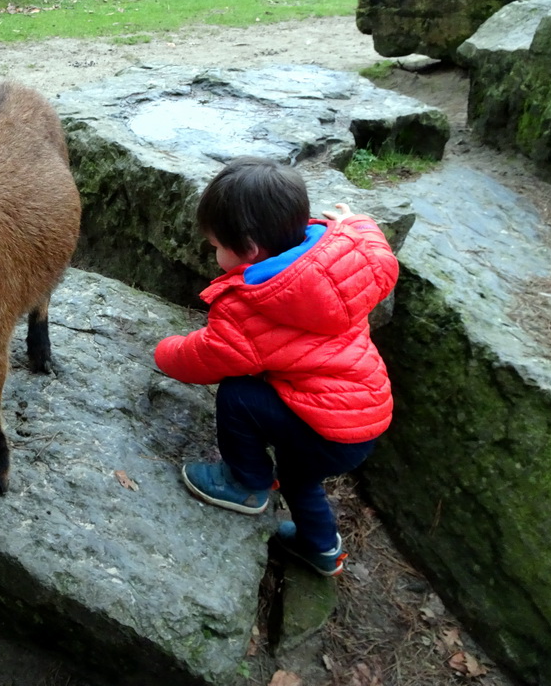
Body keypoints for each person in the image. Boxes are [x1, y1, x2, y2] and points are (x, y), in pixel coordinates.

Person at [154, 156, 399, 577]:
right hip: (362, 419)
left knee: (238, 395)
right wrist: (354, 222)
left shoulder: (254, 303)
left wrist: (165, 351)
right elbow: (374, 245)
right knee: (299, 475)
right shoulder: (340, 256)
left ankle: (245, 484)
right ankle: (321, 549)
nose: (213, 252)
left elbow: (209, 356)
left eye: (215, 246)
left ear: (248, 249)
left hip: (327, 424)